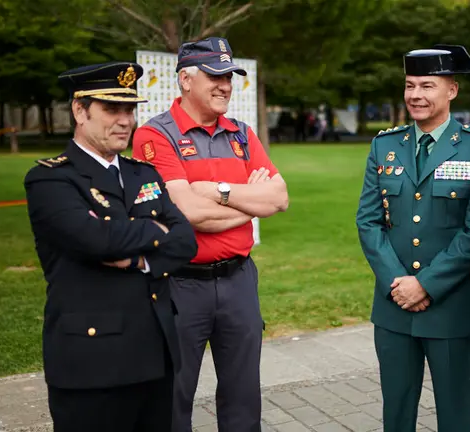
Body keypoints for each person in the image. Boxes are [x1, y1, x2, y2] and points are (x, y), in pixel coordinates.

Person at [23, 61, 198, 432]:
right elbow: (94, 240)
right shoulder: (50, 179)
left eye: (130, 109)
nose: (125, 120)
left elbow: (185, 241)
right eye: (111, 109)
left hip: (155, 356)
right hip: (92, 364)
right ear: (79, 110)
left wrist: (138, 260)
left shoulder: (143, 173)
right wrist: (154, 227)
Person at [131, 37, 289, 432]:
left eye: (229, 76)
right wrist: (251, 204)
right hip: (180, 285)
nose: (225, 85)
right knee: (171, 398)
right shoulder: (155, 136)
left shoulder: (241, 133)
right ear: (185, 80)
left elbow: (280, 198)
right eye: (214, 76)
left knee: (243, 398)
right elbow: (186, 212)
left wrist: (218, 192)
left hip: (238, 281)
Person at [355, 45, 470, 432]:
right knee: (396, 415)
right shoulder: (384, 145)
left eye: (427, 86)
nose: (415, 95)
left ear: (452, 90)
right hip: (393, 307)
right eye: (409, 85)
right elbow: (368, 223)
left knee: (455, 416)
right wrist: (397, 284)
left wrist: (425, 285)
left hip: (452, 308)